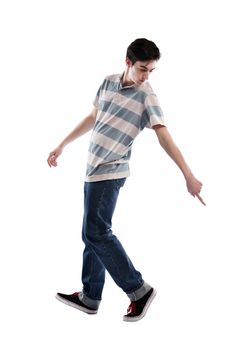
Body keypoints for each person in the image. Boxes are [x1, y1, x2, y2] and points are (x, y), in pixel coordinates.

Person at [47, 38, 205, 322]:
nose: (146, 75)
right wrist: (63, 144)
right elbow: (94, 116)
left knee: (97, 233)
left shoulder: (147, 96)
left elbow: (163, 135)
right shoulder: (108, 82)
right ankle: (90, 296)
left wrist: (188, 174)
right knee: (91, 234)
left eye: (151, 71)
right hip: (92, 170)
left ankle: (138, 290)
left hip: (112, 172)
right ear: (128, 62)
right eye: (143, 68)